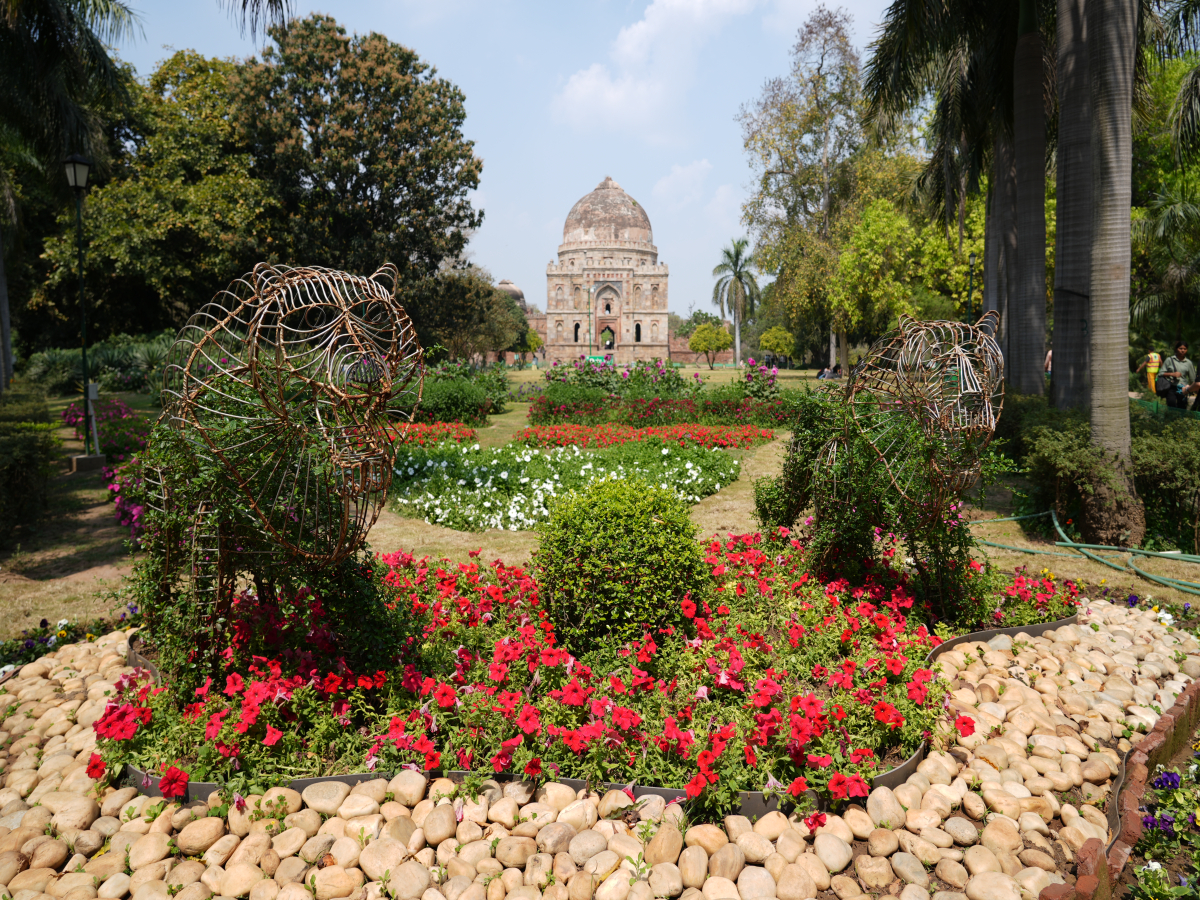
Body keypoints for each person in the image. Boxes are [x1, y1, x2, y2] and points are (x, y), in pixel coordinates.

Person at [1159, 341, 1197, 409]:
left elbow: (1192, 379)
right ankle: (1171, 419)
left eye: (1185, 349)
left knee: (1182, 407)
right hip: (1171, 387)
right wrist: (1172, 374)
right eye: (1180, 348)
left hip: (1183, 388)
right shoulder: (1169, 360)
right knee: (1171, 404)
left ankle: (1181, 419)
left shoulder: (1189, 363)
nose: (1182, 350)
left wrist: (1191, 389)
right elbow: (1161, 373)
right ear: (1176, 349)